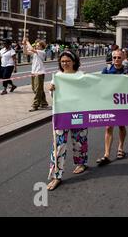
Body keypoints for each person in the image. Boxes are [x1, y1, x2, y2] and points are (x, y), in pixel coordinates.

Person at [47, 51, 88, 191]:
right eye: (63, 61)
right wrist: (51, 90)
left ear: (74, 62)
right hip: (61, 114)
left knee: (79, 140)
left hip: (78, 113)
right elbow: (54, 96)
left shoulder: (81, 76)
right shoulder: (57, 77)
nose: (65, 63)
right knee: (58, 145)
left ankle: (81, 163)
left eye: (68, 61)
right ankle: (56, 175)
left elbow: (90, 92)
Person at [96, 49, 128, 166]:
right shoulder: (107, 70)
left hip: (122, 103)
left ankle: (120, 148)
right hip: (110, 102)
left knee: (121, 126)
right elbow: (100, 84)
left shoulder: (127, 70)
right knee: (108, 127)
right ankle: (106, 154)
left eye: (119, 57)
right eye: (114, 57)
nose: (116, 60)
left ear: (123, 58)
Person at [23, 38, 49, 112]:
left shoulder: (41, 52)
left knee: (37, 90)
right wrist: (24, 44)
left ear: (42, 47)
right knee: (36, 89)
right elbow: (25, 52)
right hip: (34, 72)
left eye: (38, 46)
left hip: (40, 73)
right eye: (36, 45)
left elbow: (31, 49)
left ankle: (35, 105)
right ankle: (43, 103)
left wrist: (27, 41)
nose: (36, 47)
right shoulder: (35, 52)